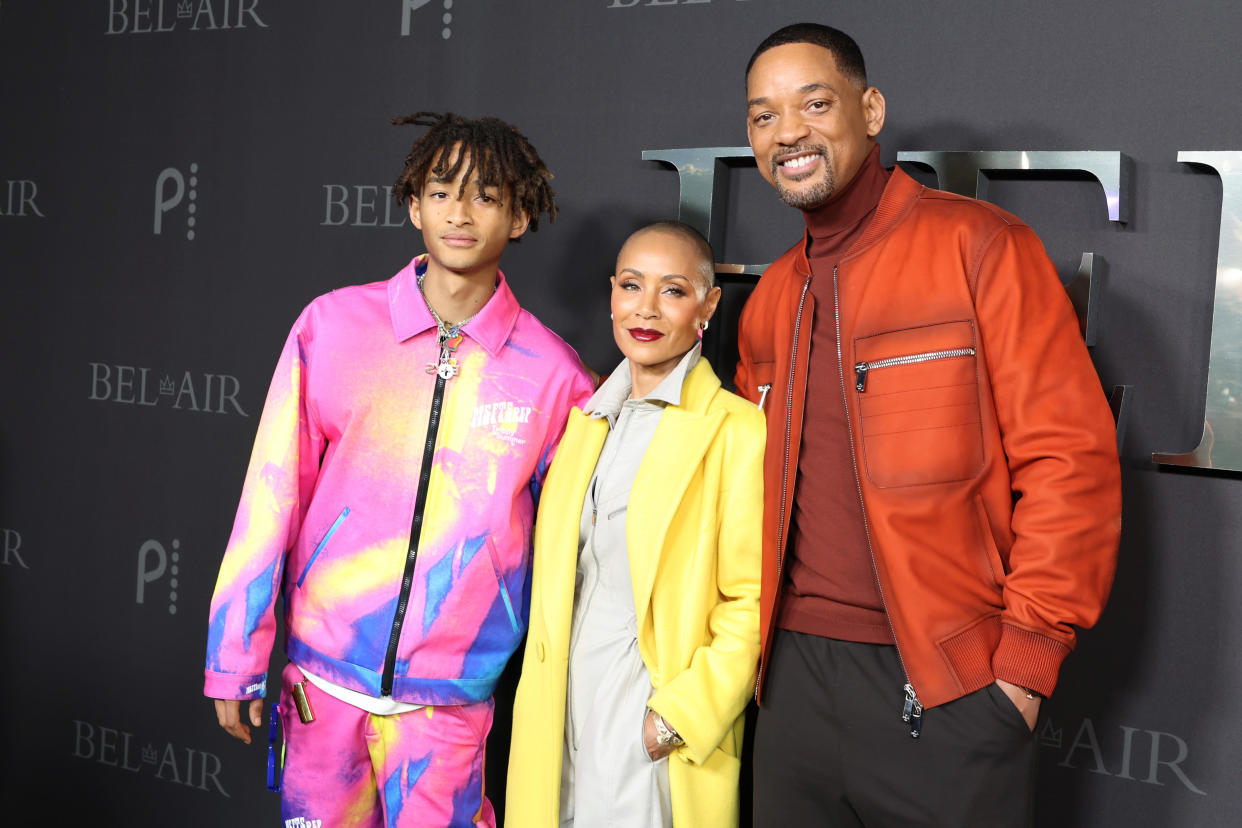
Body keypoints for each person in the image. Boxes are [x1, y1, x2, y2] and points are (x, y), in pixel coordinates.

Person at [734, 23, 1122, 827]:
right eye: (764, 116)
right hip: (791, 687)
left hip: (947, 684)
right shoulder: (771, 297)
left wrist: (1022, 666)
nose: (788, 133)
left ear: (869, 110)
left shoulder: (980, 247)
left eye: (814, 102)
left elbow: (1069, 462)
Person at [202, 111, 594, 828]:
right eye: (442, 192)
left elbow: (567, 556)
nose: (460, 213)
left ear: (521, 217)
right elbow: (271, 497)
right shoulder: (332, 327)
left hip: (449, 714)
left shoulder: (555, 377)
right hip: (321, 696)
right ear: (414, 204)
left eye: (486, 195)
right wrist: (236, 655)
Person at [505, 222, 764, 827]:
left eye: (672, 291)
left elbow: (750, 600)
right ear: (612, 294)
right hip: (558, 712)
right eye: (631, 286)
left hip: (649, 724)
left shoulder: (735, 431)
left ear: (709, 303)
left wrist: (676, 718)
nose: (645, 309)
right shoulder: (585, 422)